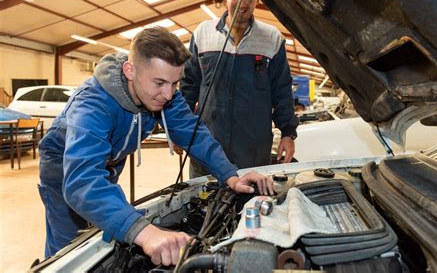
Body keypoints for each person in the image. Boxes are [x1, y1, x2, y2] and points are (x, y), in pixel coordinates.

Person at [37, 27, 273, 266]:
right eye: (159, 82)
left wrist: (230, 175)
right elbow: (81, 181)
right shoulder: (93, 105)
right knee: (69, 248)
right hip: (63, 166)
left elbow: (194, 135)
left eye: (175, 83)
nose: (168, 94)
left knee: (106, 224)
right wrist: (146, 233)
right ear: (130, 71)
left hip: (108, 161)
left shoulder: (162, 94)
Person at [180, 0, 298, 178]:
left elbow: (282, 91)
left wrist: (288, 133)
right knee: (204, 208)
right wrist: (180, 130)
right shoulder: (202, 34)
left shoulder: (272, 39)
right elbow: (188, 87)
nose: (243, 4)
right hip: (207, 148)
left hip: (253, 151)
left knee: (250, 206)